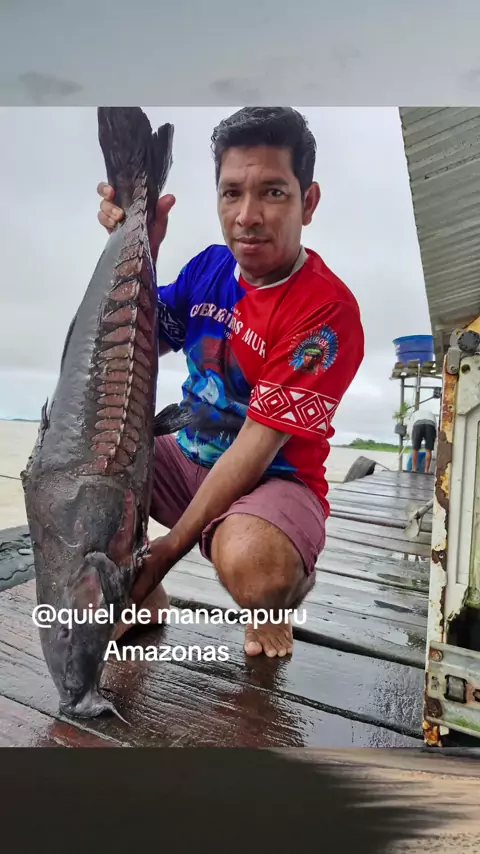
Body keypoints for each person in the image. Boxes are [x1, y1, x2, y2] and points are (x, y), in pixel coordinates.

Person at [97, 106, 365, 658]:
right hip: (186, 462)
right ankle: (140, 595)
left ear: (309, 202)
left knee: (253, 564)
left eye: (273, 192)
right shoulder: (208, 269)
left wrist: (169, 550)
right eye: (231, 193)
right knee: (89, 471)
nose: (247, 215)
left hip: (273, 480)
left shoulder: (325, 312)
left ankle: (275, 599)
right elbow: (140, 341)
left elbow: (255, 447)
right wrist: (139, 245)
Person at [408, 407, 437, 473]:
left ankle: (414, 469)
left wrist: (411, 437)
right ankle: (427, 470)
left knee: (415, 449)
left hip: (418, 424)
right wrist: (435, 436)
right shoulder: (431, 413)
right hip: (430, 425)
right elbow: (435, 425)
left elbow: (410, 426)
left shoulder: (414, 414)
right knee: (428, 450)